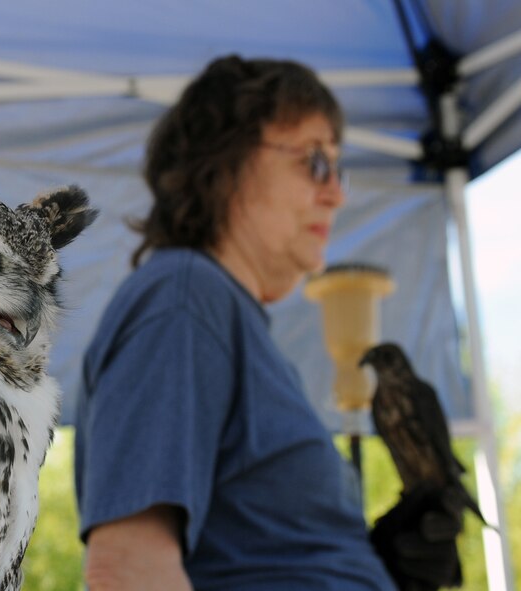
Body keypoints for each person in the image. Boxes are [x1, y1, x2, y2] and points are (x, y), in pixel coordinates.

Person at [73, 55, 463, 590]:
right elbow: (129, 569)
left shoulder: (221, 314)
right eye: (314, 161)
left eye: (337, 166)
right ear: (225, 163)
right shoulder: (185, 297)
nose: (337, 192)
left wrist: (374, 564)